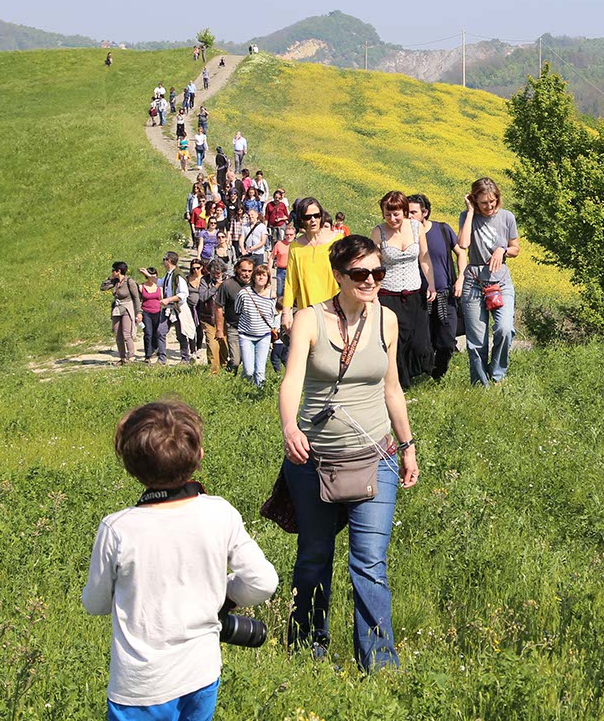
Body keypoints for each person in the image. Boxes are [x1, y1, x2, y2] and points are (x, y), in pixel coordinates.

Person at [83, 400, 278, 719]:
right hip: (201, 673)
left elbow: (96, 604)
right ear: (199, 455)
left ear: (129, 466)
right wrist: (225, 594)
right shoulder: (219, 512)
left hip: (141, 686)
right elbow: (263, 582)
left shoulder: (117, 528)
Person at [277, 234, 419, 669]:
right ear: (338, 276)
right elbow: (292, 382)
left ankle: (378, 661)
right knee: (315, 556)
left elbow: (392, 388)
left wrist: (408, 446)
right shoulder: (309, 320)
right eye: (361, 274)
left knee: (370, 563)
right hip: (315, 460)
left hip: (377, 456)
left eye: (379, 273)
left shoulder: (387, 321)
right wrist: (288, 427)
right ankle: (307, 648)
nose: (372, 281)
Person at [456, 178, 520, 386]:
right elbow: (463, 244)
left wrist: (502, 251)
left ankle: (497, 373)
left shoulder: (507, 217)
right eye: (484, 202)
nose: (490, 206)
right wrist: (471, 212)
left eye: (493, 201)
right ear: (475, 200)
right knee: (476, 340)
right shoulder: (468, 216)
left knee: (504, 328)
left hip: (500, 281)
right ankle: (480, 385)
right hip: (473, 282)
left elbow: (515, 248)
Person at [372, 192, 437, 389]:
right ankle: (399, 385)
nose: (392, 219)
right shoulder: (378, 232)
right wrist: (373, 294)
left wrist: (431, 284)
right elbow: (374, 266)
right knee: (395, 342)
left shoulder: (416, 228)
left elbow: (424, 259)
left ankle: (413, 374)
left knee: (419, 342)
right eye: (387, 215)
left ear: (405, 212)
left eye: (396, 214)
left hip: (415, 294)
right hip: (387, 295)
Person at [408, 194, 460, 380]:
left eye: (413, 212)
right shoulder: (405, 235)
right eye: (406, 212)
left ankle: (438, 372)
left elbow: (461, 252)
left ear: (425, 213)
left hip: (445, 293)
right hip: (419, 296)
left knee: (446, 342)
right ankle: (425, 375)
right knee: (424, 342)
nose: (409, 216)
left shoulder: (442, 229)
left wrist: (460, 277)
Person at [282, 197, 342, 340]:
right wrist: (286, 312)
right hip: (308, 311)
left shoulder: (337, 240)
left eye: (317, 215)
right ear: (301, 219)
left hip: (336, 310)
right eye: (308, 217)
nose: (313, 220)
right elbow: (291, 282)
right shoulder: (296, 247)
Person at [236, 263, 280, 388]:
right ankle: (243, 387)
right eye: (258, 275)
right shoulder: (244, 293)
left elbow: (274, 314)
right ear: (254, 277)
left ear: (268, 278)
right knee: (249, 370)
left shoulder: (272, 295)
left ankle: (258, 395)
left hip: (264, 336)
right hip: (246, 335)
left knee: (260, 371)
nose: (261, 277)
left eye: (264, 275)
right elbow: (237, 310)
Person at [214, 257, 254, 374]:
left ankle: (244, 384)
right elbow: (218, 307)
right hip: (234, 327)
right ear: (237, 270)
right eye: (244, 270)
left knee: (248, 360)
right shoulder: (227, 285)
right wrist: (219, 329)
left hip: (252, 329)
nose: (246, 274)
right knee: (236, 360)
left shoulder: (255, 285)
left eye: (249, 271)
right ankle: (229, 377)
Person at [101, 262, 142, 365]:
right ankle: (122, 358)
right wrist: (110, 278)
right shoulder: (115, 282)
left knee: (126, 333)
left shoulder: (129, 282)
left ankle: (131, 357)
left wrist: (139, 312)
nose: (112, 272)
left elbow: (136, 298)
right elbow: (103, 287)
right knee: (117, 333)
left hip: (127, 308)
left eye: (113, 270)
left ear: (118, 271)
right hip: (117, 308)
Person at [160, 252, 195, 365]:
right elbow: (160, 282)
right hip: (168, 308)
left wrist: (168, 299)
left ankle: (185, 358)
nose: (163, 261)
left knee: (181, 334)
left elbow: (184, 294)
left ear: (169, 260)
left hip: (177, 308)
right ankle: (162, 359)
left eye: (164, 259)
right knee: (160, 332)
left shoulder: (178, 275)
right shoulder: (168, 274)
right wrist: (148, 276)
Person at [196, 261, 226, 375]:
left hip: (225, 319)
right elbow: (203, 297)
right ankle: (214, 373)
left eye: (219, 273)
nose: (216, 275)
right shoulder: (205, 280)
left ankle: (226, 370)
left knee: (225, 347)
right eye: (214, 273)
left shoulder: (228, 280)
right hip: (209, 318)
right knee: (212, 347)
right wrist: (216, 287)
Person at [138, 268, 167, 364]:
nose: (153, 278)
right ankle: (148, 355)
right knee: (148, 333)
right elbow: (139, 301)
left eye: (155, 276)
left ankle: (156, 348)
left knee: (157, 332)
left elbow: (162, 299)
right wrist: (138, 313)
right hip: (146, 312)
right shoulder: (141, 287)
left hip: (157, 311)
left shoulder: (159, 287)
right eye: (152, 276)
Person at [273, 225, 294, 298]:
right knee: (279, 292)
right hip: (281, 271)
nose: (289, 236)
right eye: (287, 234)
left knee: (291, 291)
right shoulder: (279, 244)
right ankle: (279, 307)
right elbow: (272, 257)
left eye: (291, 234)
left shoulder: (297, 245)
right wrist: (269, 269)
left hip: (292, 271)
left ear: (294, 235)